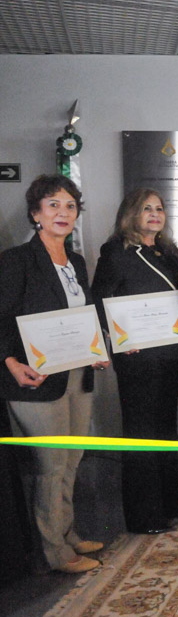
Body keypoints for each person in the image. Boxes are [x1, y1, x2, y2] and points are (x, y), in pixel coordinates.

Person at [0, 174, 109, 573]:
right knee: (50, 466)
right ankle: (54, 552)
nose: (62, 212)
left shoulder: (76, 261)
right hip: (35, 381)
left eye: (69, 205)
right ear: (36, 214)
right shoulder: (16, 260)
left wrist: (97, 349)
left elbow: (84, 316)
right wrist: (10, 362)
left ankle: (68, 533)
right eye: (52, 205)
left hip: (77, 374)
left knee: (72, 458)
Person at [92, 187, 178, 534]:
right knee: (141, 432)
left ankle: (168, 504)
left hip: (167, 349)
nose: (154, 214)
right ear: (131, 213)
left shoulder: (168, 252)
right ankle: (144, 515)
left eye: (159, 209)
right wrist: (117, 338)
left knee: (164, 428)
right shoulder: (116, 251)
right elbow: (99, 299)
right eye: (146, 208)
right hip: (134, 355)